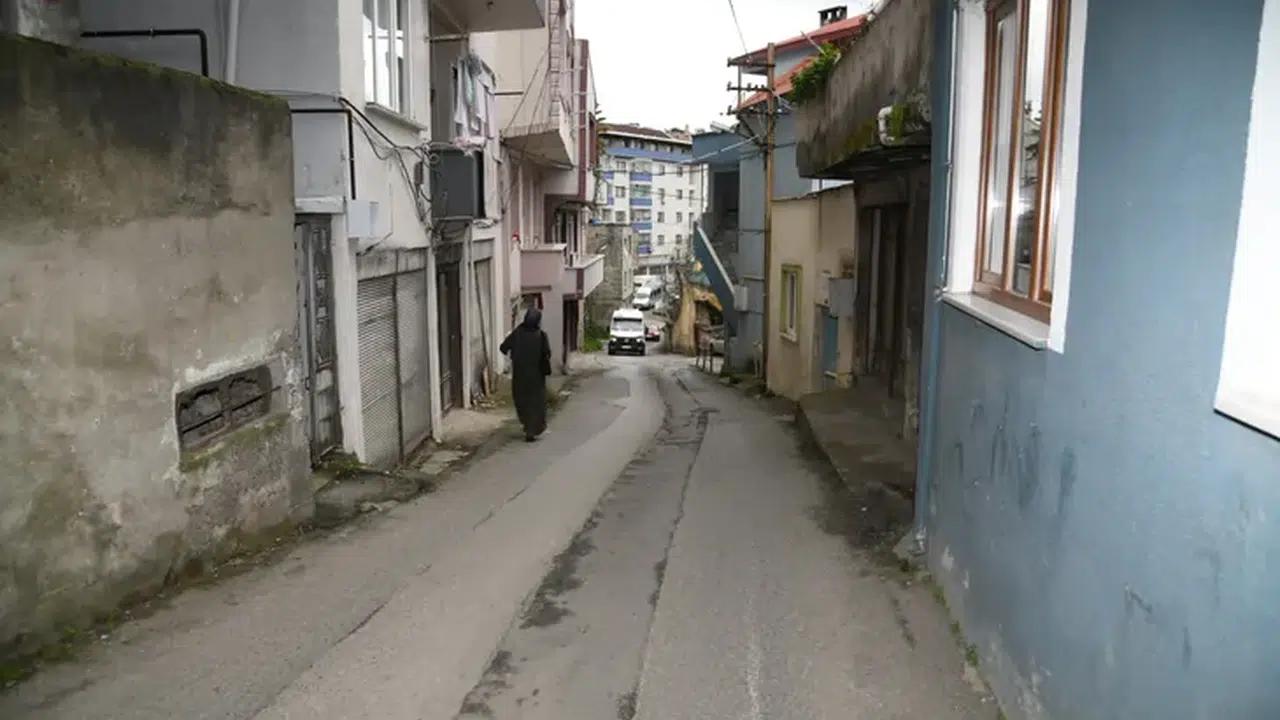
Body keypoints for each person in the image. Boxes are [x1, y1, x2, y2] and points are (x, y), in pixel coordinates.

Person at [500, 307, 552, 441]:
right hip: (536, 377)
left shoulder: (517, 333)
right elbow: (547, 354)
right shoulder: (541, 335)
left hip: (520, 376)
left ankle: (527, 426)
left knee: (522, 401)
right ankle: (532, 428)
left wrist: (515, 354)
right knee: (536, 403)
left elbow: (503, 347)